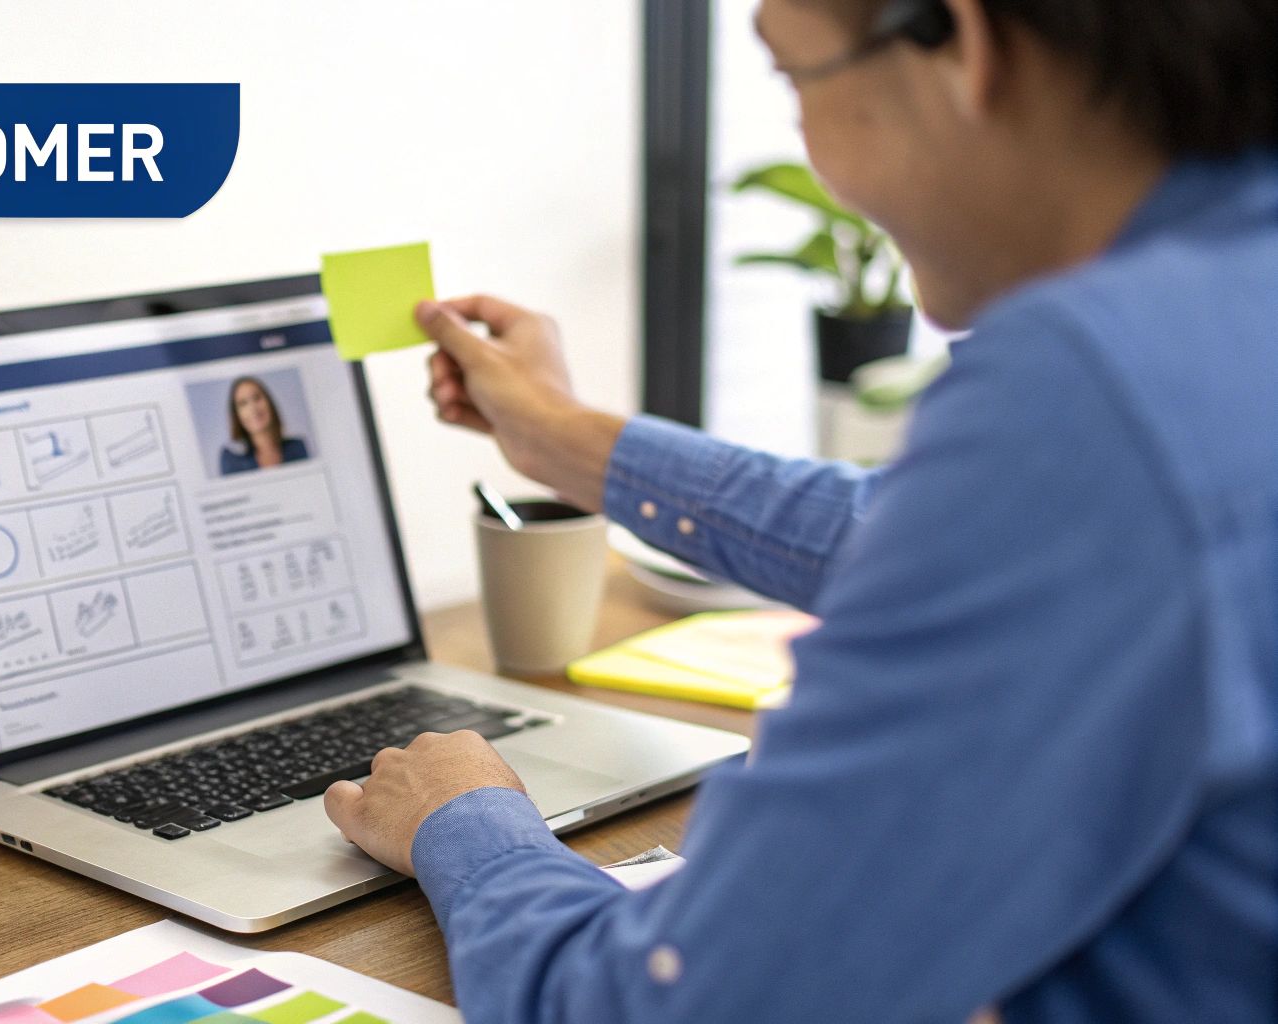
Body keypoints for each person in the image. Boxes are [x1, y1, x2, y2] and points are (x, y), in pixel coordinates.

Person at [322, 0, 1277, 1020]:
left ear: (962, 46)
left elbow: (644, 1008)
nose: (808, 151)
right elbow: (943, 541)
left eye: (792, 78)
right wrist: (565, 437)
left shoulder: (1086, 392)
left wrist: (465, 820)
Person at [219, 375, 310, 475]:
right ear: (237, 415)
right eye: (243, 403)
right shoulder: (231, 458)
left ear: (269, 403)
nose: (253, 408)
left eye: (257, 398)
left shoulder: (297, 448)